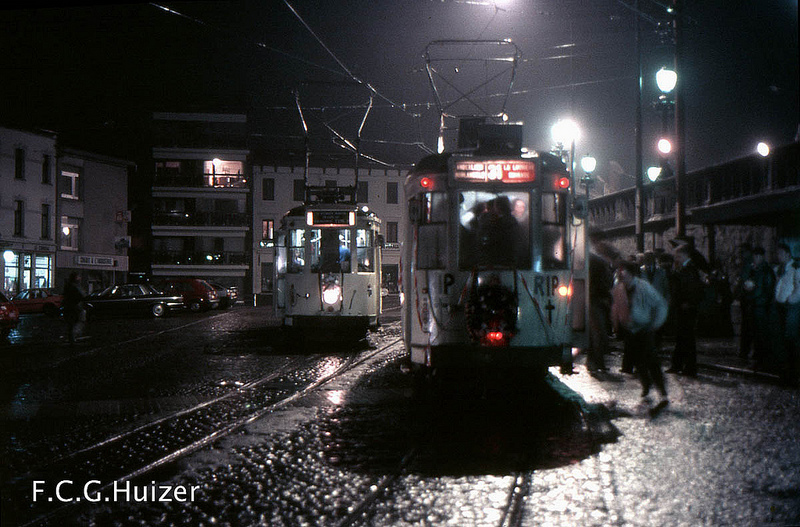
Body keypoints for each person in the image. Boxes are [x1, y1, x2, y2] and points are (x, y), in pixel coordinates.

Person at [616, 260, 670, 409]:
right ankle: (646, 385)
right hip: (631, 329)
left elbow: (660, 304)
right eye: (619, 271)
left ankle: (662, 392)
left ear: (631, 273)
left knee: (651, 360)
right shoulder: (620, 288)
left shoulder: (643, 287)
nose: (620, 274)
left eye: (623, 271)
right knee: (638, 360)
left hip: (645, 328)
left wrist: (656, 324)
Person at [667, 244, 704, 376]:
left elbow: (692, 288)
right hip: (682, 306)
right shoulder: (684, 269)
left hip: (687, 307)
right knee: (681, 337)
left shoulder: (690, 269)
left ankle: (689, 367)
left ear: (685, 255)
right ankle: (677, 365)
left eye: (678, 256)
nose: (676, 259)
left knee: (687, 338)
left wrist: (688, 302)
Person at [741, 246, 776, 370]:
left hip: (761, 306)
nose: (755, 259)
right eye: (754, 256)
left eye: (757, 256)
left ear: (761, 257)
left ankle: (762, 360)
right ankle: (758, 359)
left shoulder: (766, 271)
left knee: (761, 334)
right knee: (756, 334)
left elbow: (767, 290)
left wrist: (758, 299)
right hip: (755, 305)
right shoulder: (754, 270)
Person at [773, 243, 800, 386]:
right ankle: (785, 373)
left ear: (788, 254)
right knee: (782, 340)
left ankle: (792, 374)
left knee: (791, 340)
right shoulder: (780, 269)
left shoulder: (795, 268)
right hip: (781, 306)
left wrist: (791, 299)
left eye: (780, 254)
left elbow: (798, 288)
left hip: (791, 307)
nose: (778, 256)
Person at [587, 251, 613, 372]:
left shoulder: (593, 263)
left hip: (593, 301)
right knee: (598, 334)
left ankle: (593, 362)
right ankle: (598, 363)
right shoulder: (600, 267)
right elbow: (606, 285)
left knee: (595, 334)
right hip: (597, 302)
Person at [734, 244, 755, 359]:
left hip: (748, 298)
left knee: (747, 326)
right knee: (746, 325)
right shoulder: (747, 264)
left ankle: (745, 351)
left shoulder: (748, 264)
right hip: (745, 298)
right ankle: (745, 350)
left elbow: (744, 280)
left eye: (742, 252)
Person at [62, 272, 85, 346]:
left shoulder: (68, 286)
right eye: (78, 277)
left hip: (69, 307)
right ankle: (73, 337)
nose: (80, 278)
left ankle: (71, 338)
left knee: (71, 323)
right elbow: (81, 295)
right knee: (77, 321)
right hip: (74, 307)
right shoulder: (75, 287)